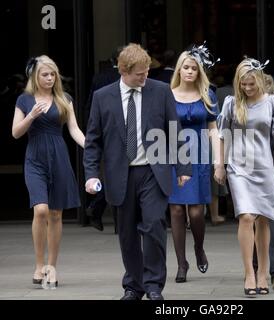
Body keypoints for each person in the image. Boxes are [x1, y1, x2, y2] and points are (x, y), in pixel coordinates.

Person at [83, 43, 191, 300]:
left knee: (154, 224)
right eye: (140, 74)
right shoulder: (102, 97)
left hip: (154, 171)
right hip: (121, 174)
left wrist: (183, 166)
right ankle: (133, 285)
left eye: (147, 72)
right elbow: (93, 140)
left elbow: (174, 130)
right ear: (123, 71)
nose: (145, 77)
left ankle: (153, 285)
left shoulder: (161, 92)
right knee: (128, 234)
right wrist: (91, 175)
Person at [216, 58, 274, 296]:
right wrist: (219, 165)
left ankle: (264, 272)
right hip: (238, 166)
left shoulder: (272, 102)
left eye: (251, 84)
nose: (248, 89)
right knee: (247, 216)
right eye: (243, 84)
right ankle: (249, 272)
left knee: (263, 218)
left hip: (264, 166)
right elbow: (221, 135)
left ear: (259, 80)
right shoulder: (231, 103)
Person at [11, 55, 85, 288]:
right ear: (35, 76)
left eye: (53, 74)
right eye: (45, 74)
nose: (50, 78)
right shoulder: (24, 100)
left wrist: (91, 146)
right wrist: (32, 115)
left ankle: (52, 267)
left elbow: (74, 130)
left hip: (59, 157)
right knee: (41, 210)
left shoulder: (64, 99)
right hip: (35, 158)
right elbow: (15, 133)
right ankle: (38, 264)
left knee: (56, 214)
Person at [168, 44, 222, 283]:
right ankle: (181, 264)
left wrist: (219, 160)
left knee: (197, 211)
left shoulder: (207, 94)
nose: (189, 71)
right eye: (186, 67)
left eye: (194, 68)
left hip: (200, 153)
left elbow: (213, 128)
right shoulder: (167, 94)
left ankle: (199, 248)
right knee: (177, 209)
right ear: (179, 70)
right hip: (172, 152)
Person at [84, 49, 121, 233]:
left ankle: (98, 209)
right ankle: (115, 221)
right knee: (115, 175)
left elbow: (90, 104)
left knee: (111, 173)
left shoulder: (99, 77)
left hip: (103, 129)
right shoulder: (121, 76)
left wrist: (91, 128)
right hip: (117, 132)